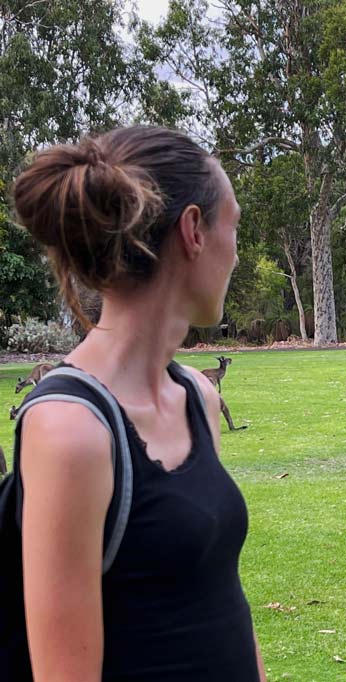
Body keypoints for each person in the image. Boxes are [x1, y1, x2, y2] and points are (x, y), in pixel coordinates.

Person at [11, 126, 266, 681]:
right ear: (194, 230)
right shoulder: (70, 430)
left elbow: (224, 600)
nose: (237, 254)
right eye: (234, 226)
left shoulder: (197, 398)